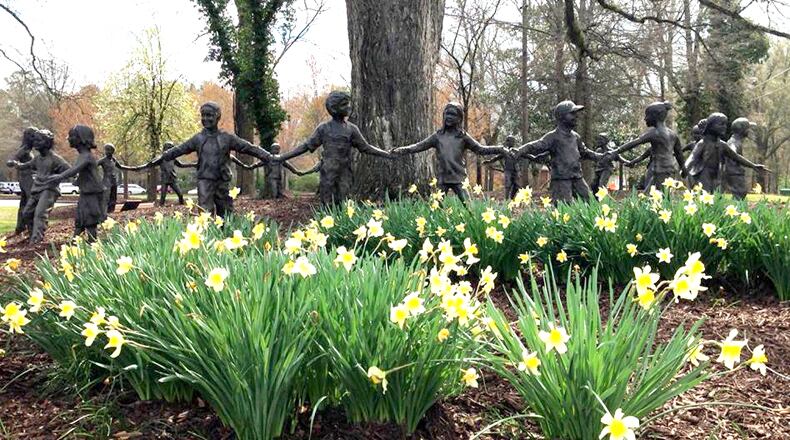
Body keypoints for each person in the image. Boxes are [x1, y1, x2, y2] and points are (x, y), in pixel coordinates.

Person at [126, 102, 278, 217]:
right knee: (205, 213)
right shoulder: (198, 139)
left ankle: (226, 244)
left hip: (222, 181)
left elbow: (248, 147)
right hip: (204, 181)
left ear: (217, 116)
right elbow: (179, 149)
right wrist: (161, 157)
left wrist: (267, 156)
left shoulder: (227, 138)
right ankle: (207, 244)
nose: (205, 119)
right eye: (203, 115)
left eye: (209, 115)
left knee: (226, 212)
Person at [276, 91, 393, 205]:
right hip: (328, 171)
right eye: (344, 104)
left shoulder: (352, 129)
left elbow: (366, 147)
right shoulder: (324, 128)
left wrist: (386, 154)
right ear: (334, 108)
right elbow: (306, 146)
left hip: (345, 172)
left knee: (344, 201)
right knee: (327, 202)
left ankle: (342, 223)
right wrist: (282, 157)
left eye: (348, 103)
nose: (349, 106)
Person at [391, 102, 505, 201]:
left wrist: (500, 149)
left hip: (459, 178)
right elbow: (418, 146)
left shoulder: (463, 137)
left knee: (468, 207)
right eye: (447, 114)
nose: (449, 117)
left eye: (453, 114)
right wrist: (402, 150)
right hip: (442, 178)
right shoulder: (437, 137)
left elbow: (481, 149)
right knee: (436, 209)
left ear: (459, 118)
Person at [511, 100, 605, 203]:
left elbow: (585, 152)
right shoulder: (553, 137)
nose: (576, 117)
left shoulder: (576, 137)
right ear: (562, 116)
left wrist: (601, 156)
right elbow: (535, 146)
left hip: (577, 177)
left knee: (590, 203)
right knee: (563, 208)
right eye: (572, 113)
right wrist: (520, 151)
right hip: (561, 180)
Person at [37, 125, 105, 242]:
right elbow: (82, 173)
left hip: (92, 196)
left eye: (71, 136)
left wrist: (59, 176)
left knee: (89, 222)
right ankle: (74, 243)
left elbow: (74, 169)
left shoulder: (86, 156)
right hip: (86, 194)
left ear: (81, 138)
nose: (68, 138)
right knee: (80, 221)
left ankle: (92, 245)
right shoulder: (82, 156)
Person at [7, 129, 70, 243]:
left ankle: (36, 240)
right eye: (35, 140)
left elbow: (69, 171)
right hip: (37, 189)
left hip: (49, 190)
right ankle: (32, 235)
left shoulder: (55, 159)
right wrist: (16, 164)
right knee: (27, 213)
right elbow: (26, 165)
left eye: (38, 140)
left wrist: (58, 177)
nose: (35, 143)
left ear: (46, 142)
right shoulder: (37, 158)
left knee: (40, 214)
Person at [609, 102, 687, 189]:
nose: (645, 119)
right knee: (650, 196)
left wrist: (616, 151)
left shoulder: (655, 133)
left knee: (661, 197)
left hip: (660, 170)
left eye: (647, 115)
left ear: (655, 116)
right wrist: (683, 168)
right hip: (667, 170)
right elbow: (679, 154)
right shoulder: (673, 134)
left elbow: (635, 142)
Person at [686, 113, 767, 192]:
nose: (724, 127)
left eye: (725, 124)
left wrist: (753, 166)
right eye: (721, 124)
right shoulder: (703, 143)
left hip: (716, 175)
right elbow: (692, 157)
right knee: (705, 195)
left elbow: (735, 156)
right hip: (704, 174)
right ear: (711, 126)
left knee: (716, 197)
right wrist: (685, 169)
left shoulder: (722, 144)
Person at [483, 135, 543, 199]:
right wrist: (489, 161)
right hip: (508, 170)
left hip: (515, 171)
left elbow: (526, 155)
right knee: (508, 184)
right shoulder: (504, 151)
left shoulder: (516, 151)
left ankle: (511, 198)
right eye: (508, 141)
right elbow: (498, 157)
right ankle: (506, 200)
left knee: (517, 186)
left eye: (511, 141)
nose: (510, 142)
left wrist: (535, 158)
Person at [7, 127, 37, 234]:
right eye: (34, 136)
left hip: (27, 178)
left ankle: (20, 227)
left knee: (24, 203)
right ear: (29, 137)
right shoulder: (24, 149)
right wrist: (13, 163)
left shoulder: (29, 150)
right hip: (26, 179)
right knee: (31, 202)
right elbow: (12, 160)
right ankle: (31, 229)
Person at [724, 117, 757, 199]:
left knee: (741, 194)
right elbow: (732, 152)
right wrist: (752, 165)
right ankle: (736, 210)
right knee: (740, 194)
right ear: (743, 130)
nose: (749, 131)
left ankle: (737, 210)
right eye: (748, 129)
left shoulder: (737, 141)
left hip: (736, 173)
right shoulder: (733, 142)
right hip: (734, 173)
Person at [97, 143, 120, 214]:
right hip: (106, 181)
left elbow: (121, 167)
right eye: (106, 150)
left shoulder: (114, 160)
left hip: (114, 181)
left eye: (108, 150)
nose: (106, 152)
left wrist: (135, 169)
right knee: (106, 197)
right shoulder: (103, 160)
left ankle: (111, 212)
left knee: (113, 198)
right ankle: (104, 213)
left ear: (112, 151)